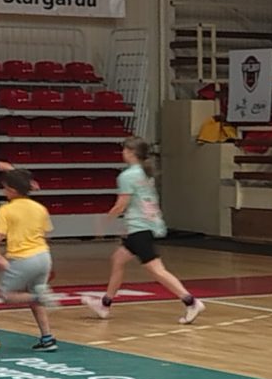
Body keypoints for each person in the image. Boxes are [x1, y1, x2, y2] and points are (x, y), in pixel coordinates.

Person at [85, 137, 205, 323]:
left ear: (131, 153)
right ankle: (105, 305)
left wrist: (103, 222)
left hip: (140, 228)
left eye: (125, 150)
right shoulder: (145, 173)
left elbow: (121, 205)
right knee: (118, 260)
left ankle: (191, 302)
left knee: (157, 270)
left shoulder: (127, 176)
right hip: (145, 225)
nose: (122, 153)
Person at [0, 166, 60, 352]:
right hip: (44, 256)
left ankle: (40, 295)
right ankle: (47, 338)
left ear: (12, 190)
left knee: (7, 295)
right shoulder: (40, 208)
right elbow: (46, 234)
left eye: (5, 188)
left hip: (23, 258)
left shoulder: (5, 210)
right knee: (34, 295)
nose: (3, 191)